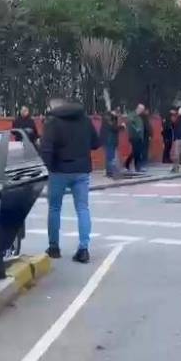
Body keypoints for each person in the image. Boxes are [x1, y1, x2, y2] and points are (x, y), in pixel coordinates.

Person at [41, 97, 101, 264]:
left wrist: (46, 167)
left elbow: (46, 149)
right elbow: (96, 143)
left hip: (58, 171)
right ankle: (83, 249)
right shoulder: (85, 120)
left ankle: (54, 248)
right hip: (81, 170)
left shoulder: (52, 122)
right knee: (82, 208)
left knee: (54, 208)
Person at [99, 108, 121, 178]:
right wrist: (122, 127)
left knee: (109, 157)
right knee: (111, 157)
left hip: (108, 140)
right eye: (117, 113)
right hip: (109, 141)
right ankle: (111, 173)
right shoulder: (110, 118)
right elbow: (114, 128)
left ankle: (109, 172)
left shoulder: (107, 117)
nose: (118, 115)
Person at [125, 105, 147, 172]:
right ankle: (137, 167)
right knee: (136, 152)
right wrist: (136, 129)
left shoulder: (139, 117)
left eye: (142, 110)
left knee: (136, 152)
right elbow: (129, 122)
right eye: (141, 109)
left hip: (139, 137)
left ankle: (127, 164)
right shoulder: (132, 115)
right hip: (134, 136)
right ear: (138, 108)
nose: (142, 111)